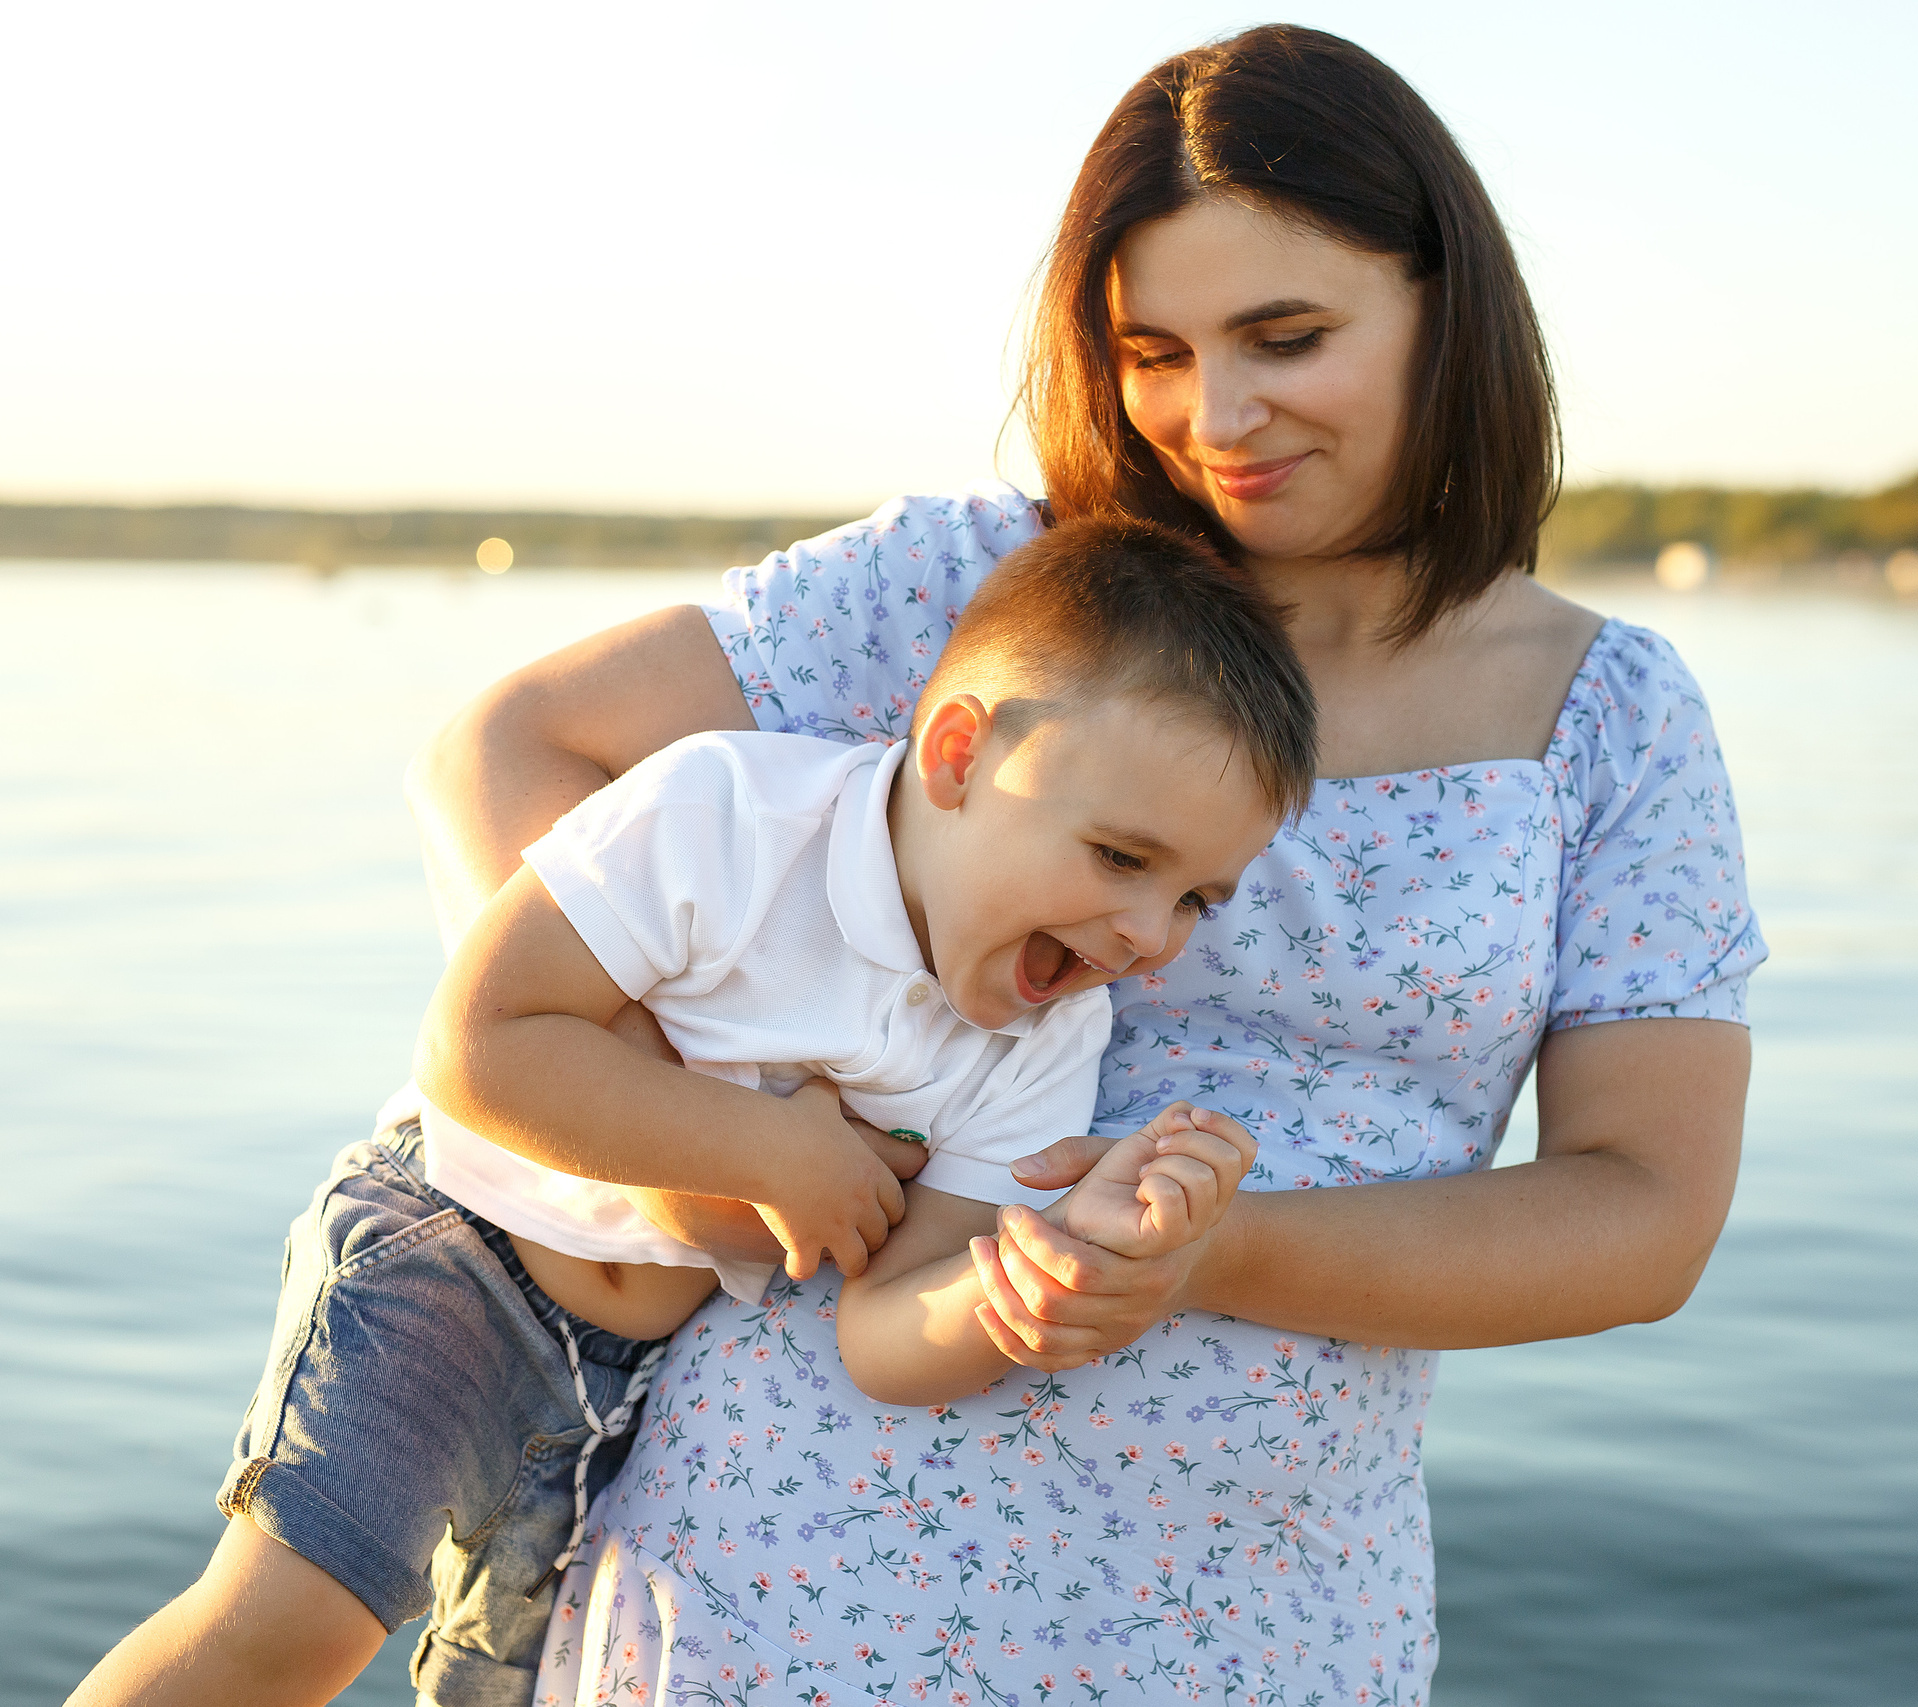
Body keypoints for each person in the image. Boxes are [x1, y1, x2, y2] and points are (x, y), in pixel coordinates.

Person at [409, 24, 1767, 1706]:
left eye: (1289, 336)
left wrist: (1212, 1249)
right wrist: (691, 1138)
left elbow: (1644, 1217)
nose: (1220, 414)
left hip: (1267, 1612)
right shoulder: (993, 593)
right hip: (784, 1561)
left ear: (1447, 311)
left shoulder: (1609, 719)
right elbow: (512, 747)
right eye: (1153, 349)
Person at [64, 521, 1316, 1707]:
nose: (1150, 938)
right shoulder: (731, 819)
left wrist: (1038, 1273)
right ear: (956, 756)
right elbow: (480, 1042)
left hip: (622, 1387)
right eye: (1119, 860)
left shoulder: (1048, 1033)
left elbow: (885, 1334)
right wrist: (768, 1150)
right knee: (285, 1630)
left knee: (494, 1688)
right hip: (461, 1255)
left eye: (1199, 898)